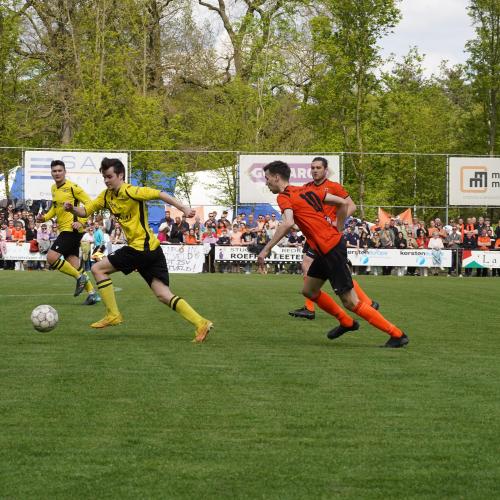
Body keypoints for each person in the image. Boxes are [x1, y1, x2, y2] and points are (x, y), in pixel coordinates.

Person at [258, 160, 408, 348]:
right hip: (325, 249)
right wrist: (338, 226)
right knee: (309, 291)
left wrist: (265, 249)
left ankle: (397, 334)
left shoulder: (284, 197)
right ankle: (346, 322)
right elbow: (342, 203)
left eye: (267, 178)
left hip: (330, 249)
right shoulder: (305, 190)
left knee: (351, 302)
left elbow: (287, 223)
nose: (266, 182)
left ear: (276, 177)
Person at [64, 157, 212, 342]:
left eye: (110, 176)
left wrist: (183, 207)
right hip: (152, 249)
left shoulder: (131, 191)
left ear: (120, 175)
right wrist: (71, 209)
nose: (107, 180)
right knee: (163, 294)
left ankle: (113, 314)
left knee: (97, 269)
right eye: (104, 177)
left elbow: (160, 194)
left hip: (140, 248)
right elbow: (85, 211)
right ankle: (201, 323)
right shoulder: (106, 196)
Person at [288, 157, 379, 320]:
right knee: (335, 270)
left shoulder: (334, 187)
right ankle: (368, 303)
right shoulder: (307, 187)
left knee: (308, 265)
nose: (315, 170)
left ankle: (310, 308)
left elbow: (351, 206)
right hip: (314, 234)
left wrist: (338, 222)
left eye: (318, 168)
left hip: (327, 235)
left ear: (325, 170)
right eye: (313, 168)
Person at [35, 160, 99, 304]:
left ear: (65, 172)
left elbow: (90, 205)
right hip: (64, 230)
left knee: (51, 258)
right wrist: (44, 218)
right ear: (51, 173)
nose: (57, 173)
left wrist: (81, 222)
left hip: (72, 229)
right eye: (54, 171)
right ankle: (92, 294)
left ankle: (79, 278)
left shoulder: (73, 188)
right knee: (74, 262)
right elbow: (55, 208)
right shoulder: (53, 188)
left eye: (60, 170)